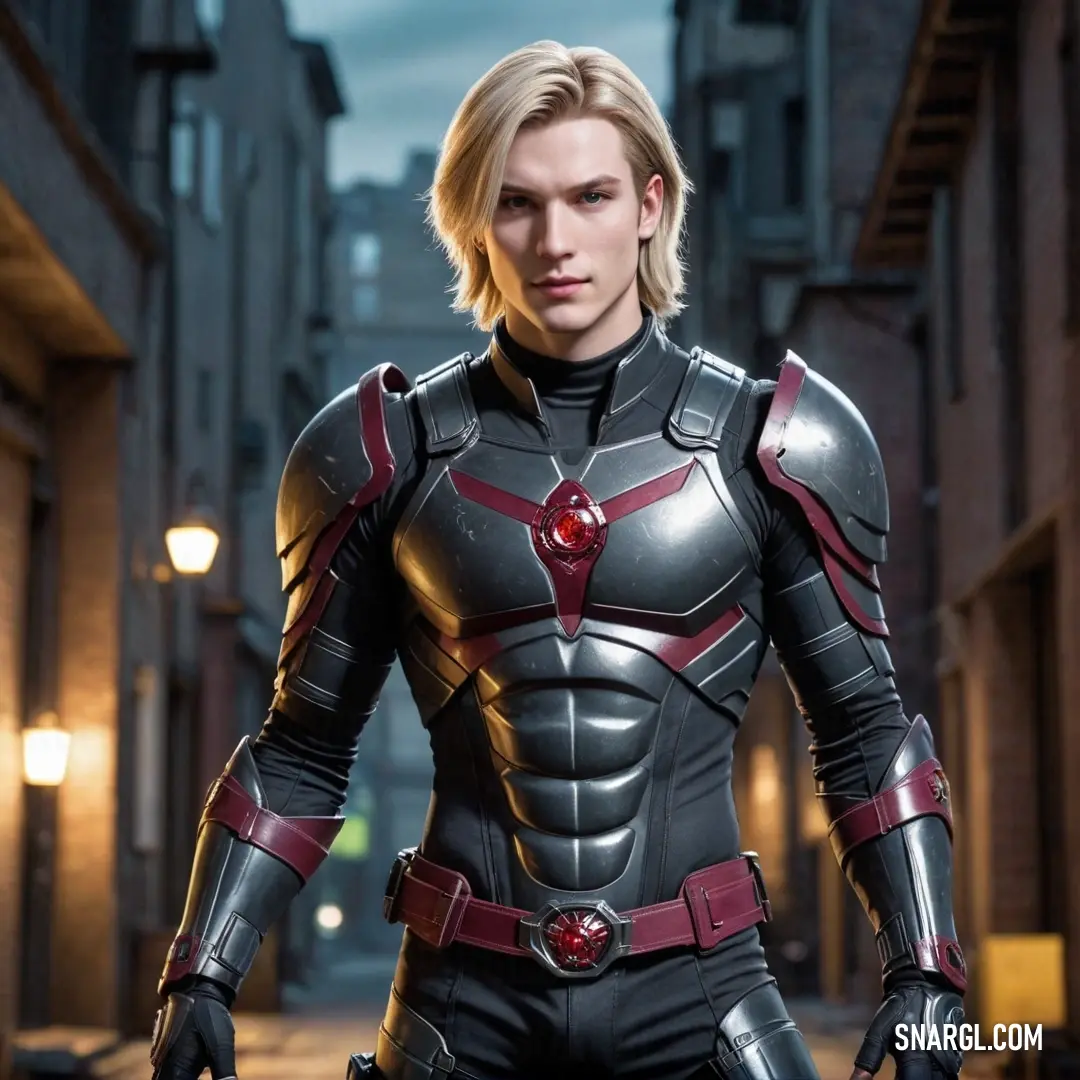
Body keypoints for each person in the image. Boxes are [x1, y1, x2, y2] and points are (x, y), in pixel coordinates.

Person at [148, 40, 966, 1080]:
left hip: (707, 1003)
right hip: (460, 1008)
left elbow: (861, 732)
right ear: (475, 220)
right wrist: (202, 972)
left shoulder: (775, 445)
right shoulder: (382, 452)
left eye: (590, 195)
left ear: (650, 206)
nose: (555, 240)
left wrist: (929, 976)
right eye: (518, 203)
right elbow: (305, 748)